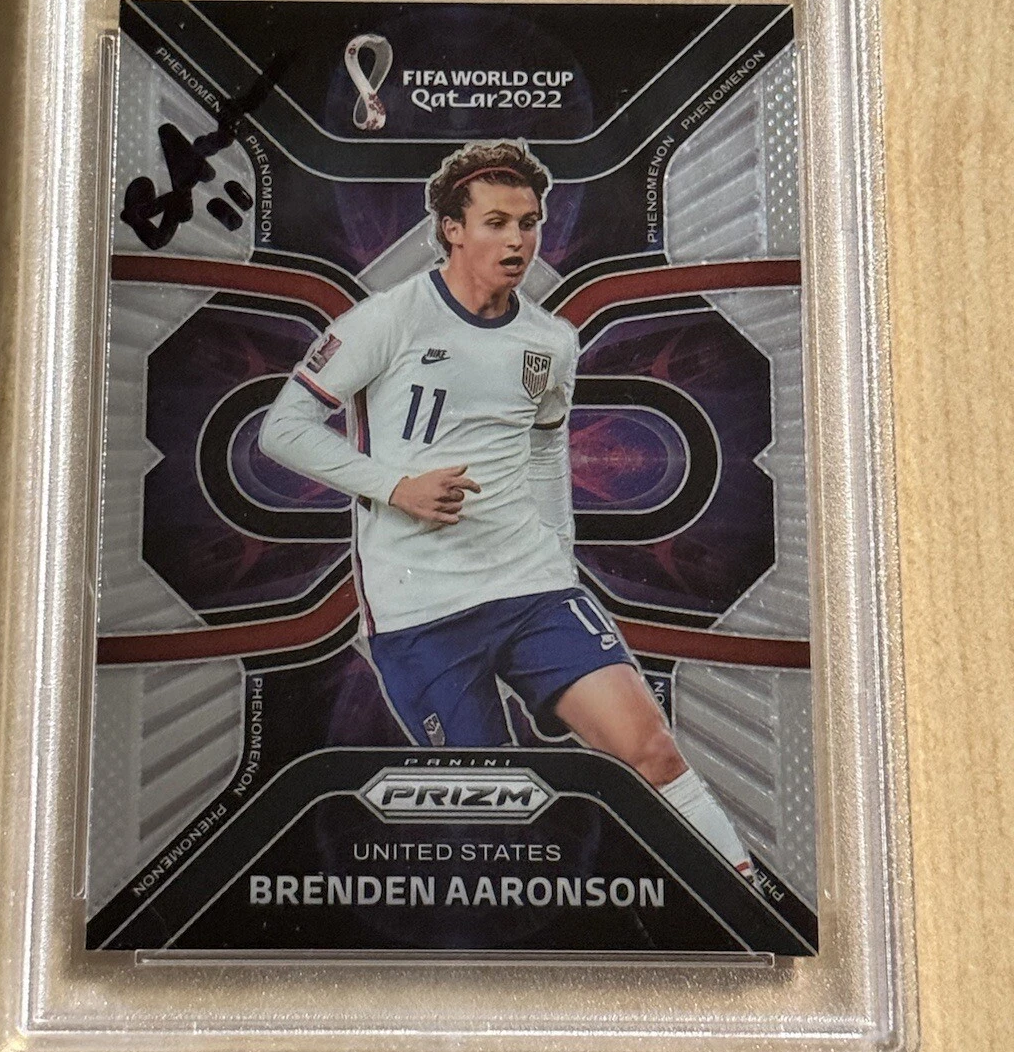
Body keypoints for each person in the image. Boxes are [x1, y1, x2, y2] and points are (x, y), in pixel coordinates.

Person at [259, 140, 753, 876]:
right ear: (452, 229)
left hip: (531, 589)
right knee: (499, 808)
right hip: (421, 611)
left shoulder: (550, 340)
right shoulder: (387, 320)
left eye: (528, 223)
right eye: (496, 222)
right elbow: (282, 429)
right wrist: (394, 486)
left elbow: (547, 448)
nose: (517, 240)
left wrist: (558, 550)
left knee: (652, 751)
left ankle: (746, 900)